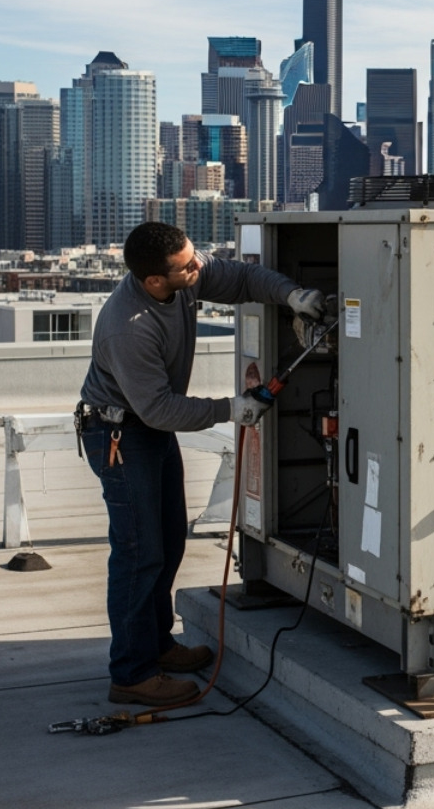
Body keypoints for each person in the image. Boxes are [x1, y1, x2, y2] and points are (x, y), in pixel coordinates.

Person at [77, 221, 324, 706]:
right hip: (120, 434)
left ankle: (157, 645)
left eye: (195, 256)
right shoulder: (128, 327)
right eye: (188, 265)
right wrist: (231, 409)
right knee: (137, 553)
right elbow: (160, 408)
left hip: (145, 431)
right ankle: (130, 674)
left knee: (166, 544)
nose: (199, 266)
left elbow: (241, 279)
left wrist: (292, 295)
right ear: (154, 282)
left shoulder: (185, 275)